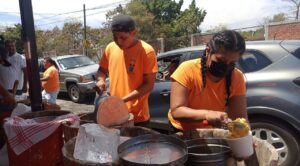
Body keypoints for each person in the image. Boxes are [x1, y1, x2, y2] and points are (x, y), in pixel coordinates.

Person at [168, 30, 248, 131]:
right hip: (182, 130)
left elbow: (239, 117)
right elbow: (177, 111)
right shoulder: (187, 70)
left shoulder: (236, 77)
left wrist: (245, 136)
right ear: (207, 51)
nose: (226, 66)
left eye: (232, 63)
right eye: (220, 60)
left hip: (212, 131)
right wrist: (207, 114)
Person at [95, 14, 158, 127]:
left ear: (133, 33)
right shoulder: (110, 48)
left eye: (123, 38)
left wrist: (121, 101)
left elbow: (148, 85)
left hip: (137, 118)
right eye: (115, 37)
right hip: (114, 115)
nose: (119, 42)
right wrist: (100, 80)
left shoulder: (146, 51)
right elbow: (102, 70)